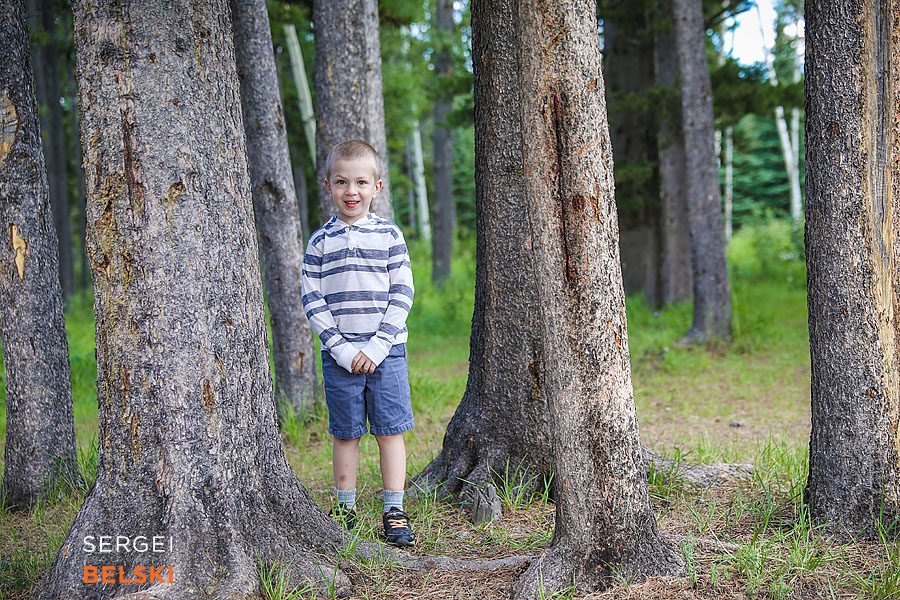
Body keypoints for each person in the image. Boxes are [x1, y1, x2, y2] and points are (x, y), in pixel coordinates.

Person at [301, 139, 415, 547]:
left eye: (361, 182)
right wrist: (344, 349)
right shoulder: (320, 242)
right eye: (342, 182)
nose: (352, 191)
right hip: (340, 356)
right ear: (328, 186)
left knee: (390, 431)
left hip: (388, 353)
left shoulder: (389, 235)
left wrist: (379, 345)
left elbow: (402, 292)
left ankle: (394, 509)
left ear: (377, 187)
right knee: (346, 433)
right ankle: (345, 507)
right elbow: (312, 299)